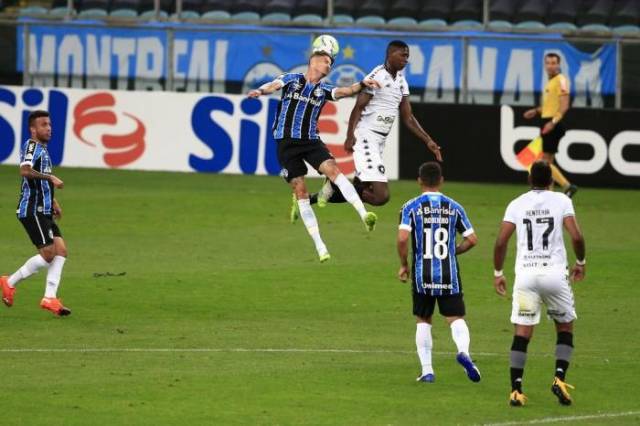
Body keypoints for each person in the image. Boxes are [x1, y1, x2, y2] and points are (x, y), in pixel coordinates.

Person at [247, 45, 380, 262]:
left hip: (310, 141)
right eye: (325, 61)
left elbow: (345, 91)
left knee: (335, 171)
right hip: (286, 143)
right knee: (300, 189)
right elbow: (273, 85)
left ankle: (365, 216)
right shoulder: (292, 79)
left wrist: (362, 83)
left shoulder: (324, 90)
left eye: (330, 63)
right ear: (313, 61)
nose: (329, 65)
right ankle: (320, 245)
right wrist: (260, 91)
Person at [493, 160, 586, 407]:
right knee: (565, 328)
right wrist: (581, 261)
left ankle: (516, 390)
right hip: (555, 276)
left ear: (529, 179)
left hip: (526, 279)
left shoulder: (516, 204)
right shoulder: (562, 201)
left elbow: (501, 242)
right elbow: (576, 236)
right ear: (552, 181)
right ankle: (559, 379)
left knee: (522, 333)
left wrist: (498, 272)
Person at [310, 40, 442, 207]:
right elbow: (358, 107)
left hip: (379, 142)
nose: (406, 59)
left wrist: (428, 140)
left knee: (360, 188)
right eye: (402, 55)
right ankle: (330, 188)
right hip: (366, 138)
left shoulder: (401, 82)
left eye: (407, 56)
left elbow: (408, 117)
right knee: (381, 196)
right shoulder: (376, 76)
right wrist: (350, 135)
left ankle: (315, 197)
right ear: (390, 55)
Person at [397, 162, 481, 383]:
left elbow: (403, 238)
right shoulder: (454, 207)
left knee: (423, 319)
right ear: (441, 181)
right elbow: (472, 239)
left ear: (419, 180)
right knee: (455, 319)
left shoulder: (410, 207)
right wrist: (454, 252)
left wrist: (404, 264)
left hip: (421, 274)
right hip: (448, 274)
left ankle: (427, 371)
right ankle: (464, 352)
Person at [1, 110, 71, 316]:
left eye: (49, 124)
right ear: (33, 129)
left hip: (45, 209)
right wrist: (51, 178)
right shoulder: (32, 146)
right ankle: (9, 281)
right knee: (49, 254)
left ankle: (49, 298)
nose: (48, 128)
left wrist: (54, 201)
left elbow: (37, 182)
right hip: (32, 209)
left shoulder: (44, 149)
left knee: (61, 252)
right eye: (43, 125)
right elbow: (25, 170)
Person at [523, 53, 578, 198]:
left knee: (541, 162)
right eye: (548, 63)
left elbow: (564, 105)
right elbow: (549, 106)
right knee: (547, 161)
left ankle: (567, 186)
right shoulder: (550, 82)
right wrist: (535, 111)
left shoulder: (561, 80)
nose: (550, 66)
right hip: (547, 121)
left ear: (559, 65)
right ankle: (550, 194)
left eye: (554, 63)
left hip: (552, 123)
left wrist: (552, 123)